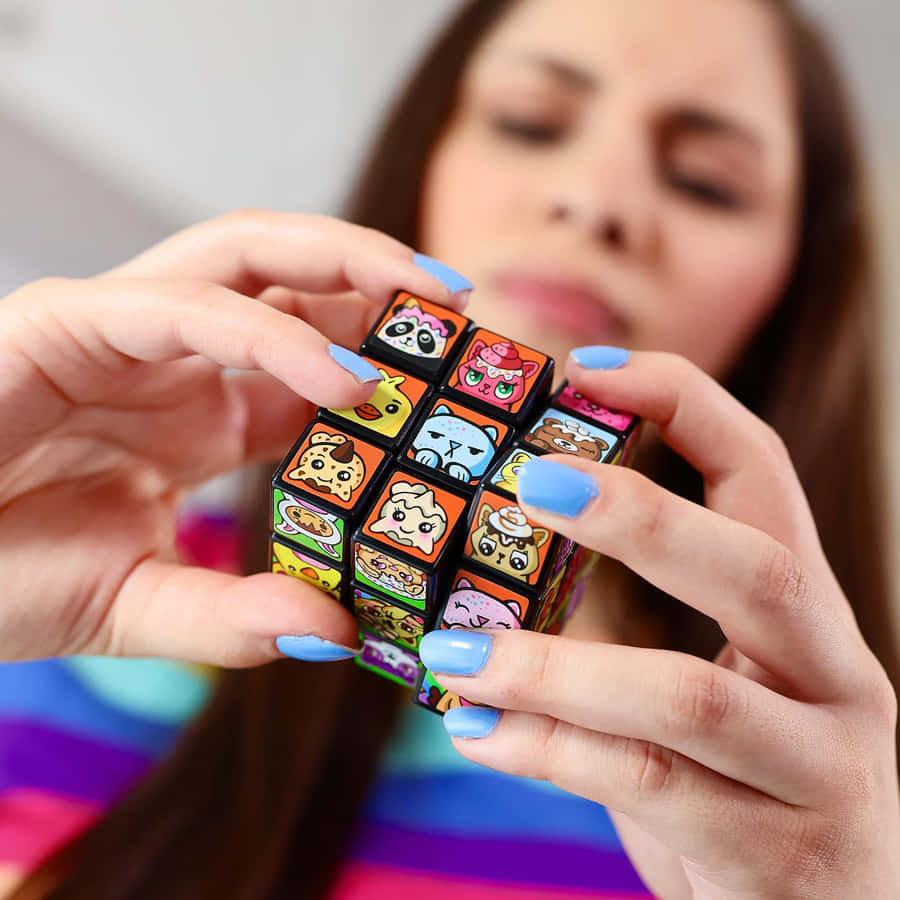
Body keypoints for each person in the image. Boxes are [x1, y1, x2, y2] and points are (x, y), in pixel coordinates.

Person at [1, 0, 898, 896]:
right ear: (425, 157)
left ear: (793, 289)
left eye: (707, 182)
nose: (594, 201)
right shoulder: (98, 582)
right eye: (529, 121)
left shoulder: (841, 811)